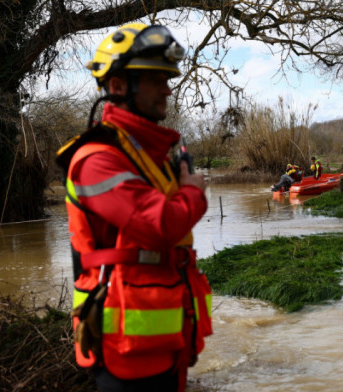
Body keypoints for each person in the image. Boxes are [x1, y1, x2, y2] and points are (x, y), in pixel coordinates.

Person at [55, 24, 212, 392]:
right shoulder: (96, 159)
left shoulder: (144, 158)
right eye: (157, 78)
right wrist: (192, 192)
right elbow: (158, 226)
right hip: (123, 347)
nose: (167, 88)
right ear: (119, 86)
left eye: (168, 78)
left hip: (160, 340)